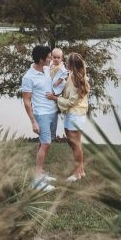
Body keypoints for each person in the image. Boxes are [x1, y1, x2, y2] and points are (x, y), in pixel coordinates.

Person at [46, 53, 89, 182]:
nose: (64, 62)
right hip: (75, 114)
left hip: (75, 114)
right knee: (75, 143)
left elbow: (71, 102)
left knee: (74, 144)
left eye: (67, 61)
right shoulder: (71, 75)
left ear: (71, 64)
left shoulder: (77, 79)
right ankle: (81, 170)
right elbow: (56, 73)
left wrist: (55, 98)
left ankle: (77, 173)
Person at [21, 45, 59, 191]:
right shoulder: (28, 77)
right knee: (46, 144)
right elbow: (26, 101)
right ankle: (36, 181)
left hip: (52, 112)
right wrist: (33, 121)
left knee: (43, 143)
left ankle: (40, 173)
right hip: (41, 114)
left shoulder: (48, 70)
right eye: (49, 57)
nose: (51, 59)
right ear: (41, 59)